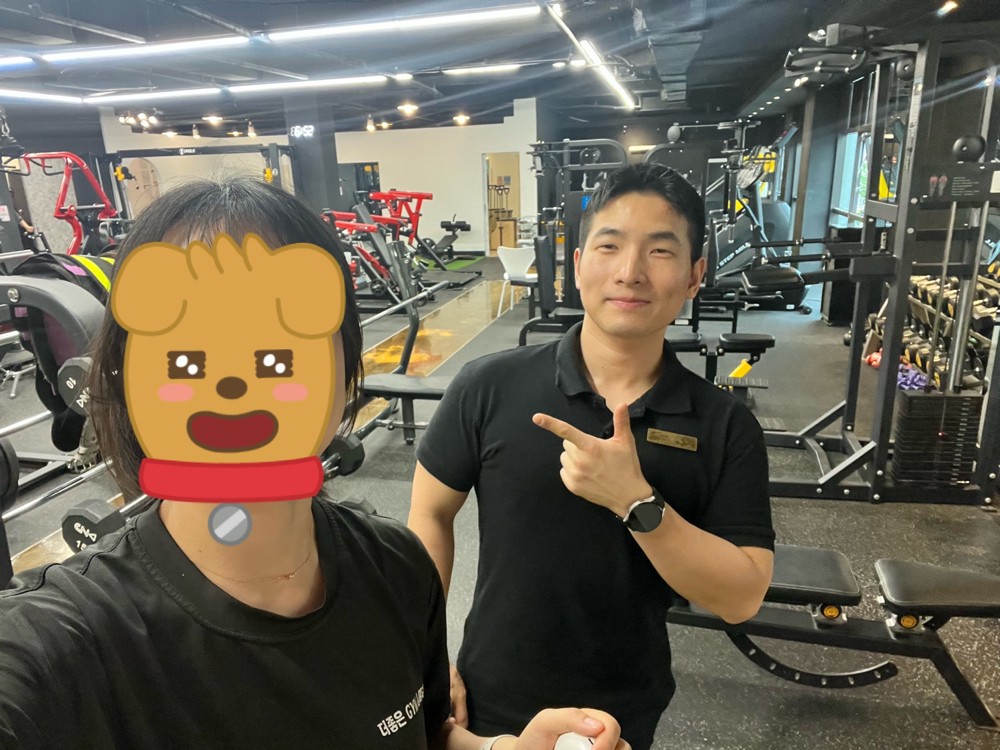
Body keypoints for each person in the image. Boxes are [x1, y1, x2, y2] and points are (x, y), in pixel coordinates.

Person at [0, 177, 628, 750]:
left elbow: (427, 736)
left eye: (275, 358)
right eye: (188, 360)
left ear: (343, 375)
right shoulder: (60, 644)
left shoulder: (397, 566)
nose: (232, 386)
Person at [408, 163, 775, 750]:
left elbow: (741, 596)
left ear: (694, 276)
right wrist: (425, 655)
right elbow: (429, 515)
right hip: (487, 694)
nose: (630, 272)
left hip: (623, 710)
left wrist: (636, 502)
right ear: (578, 265)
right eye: (609, 246)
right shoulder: (487, 386)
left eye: (660, 250)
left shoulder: (725, 425)